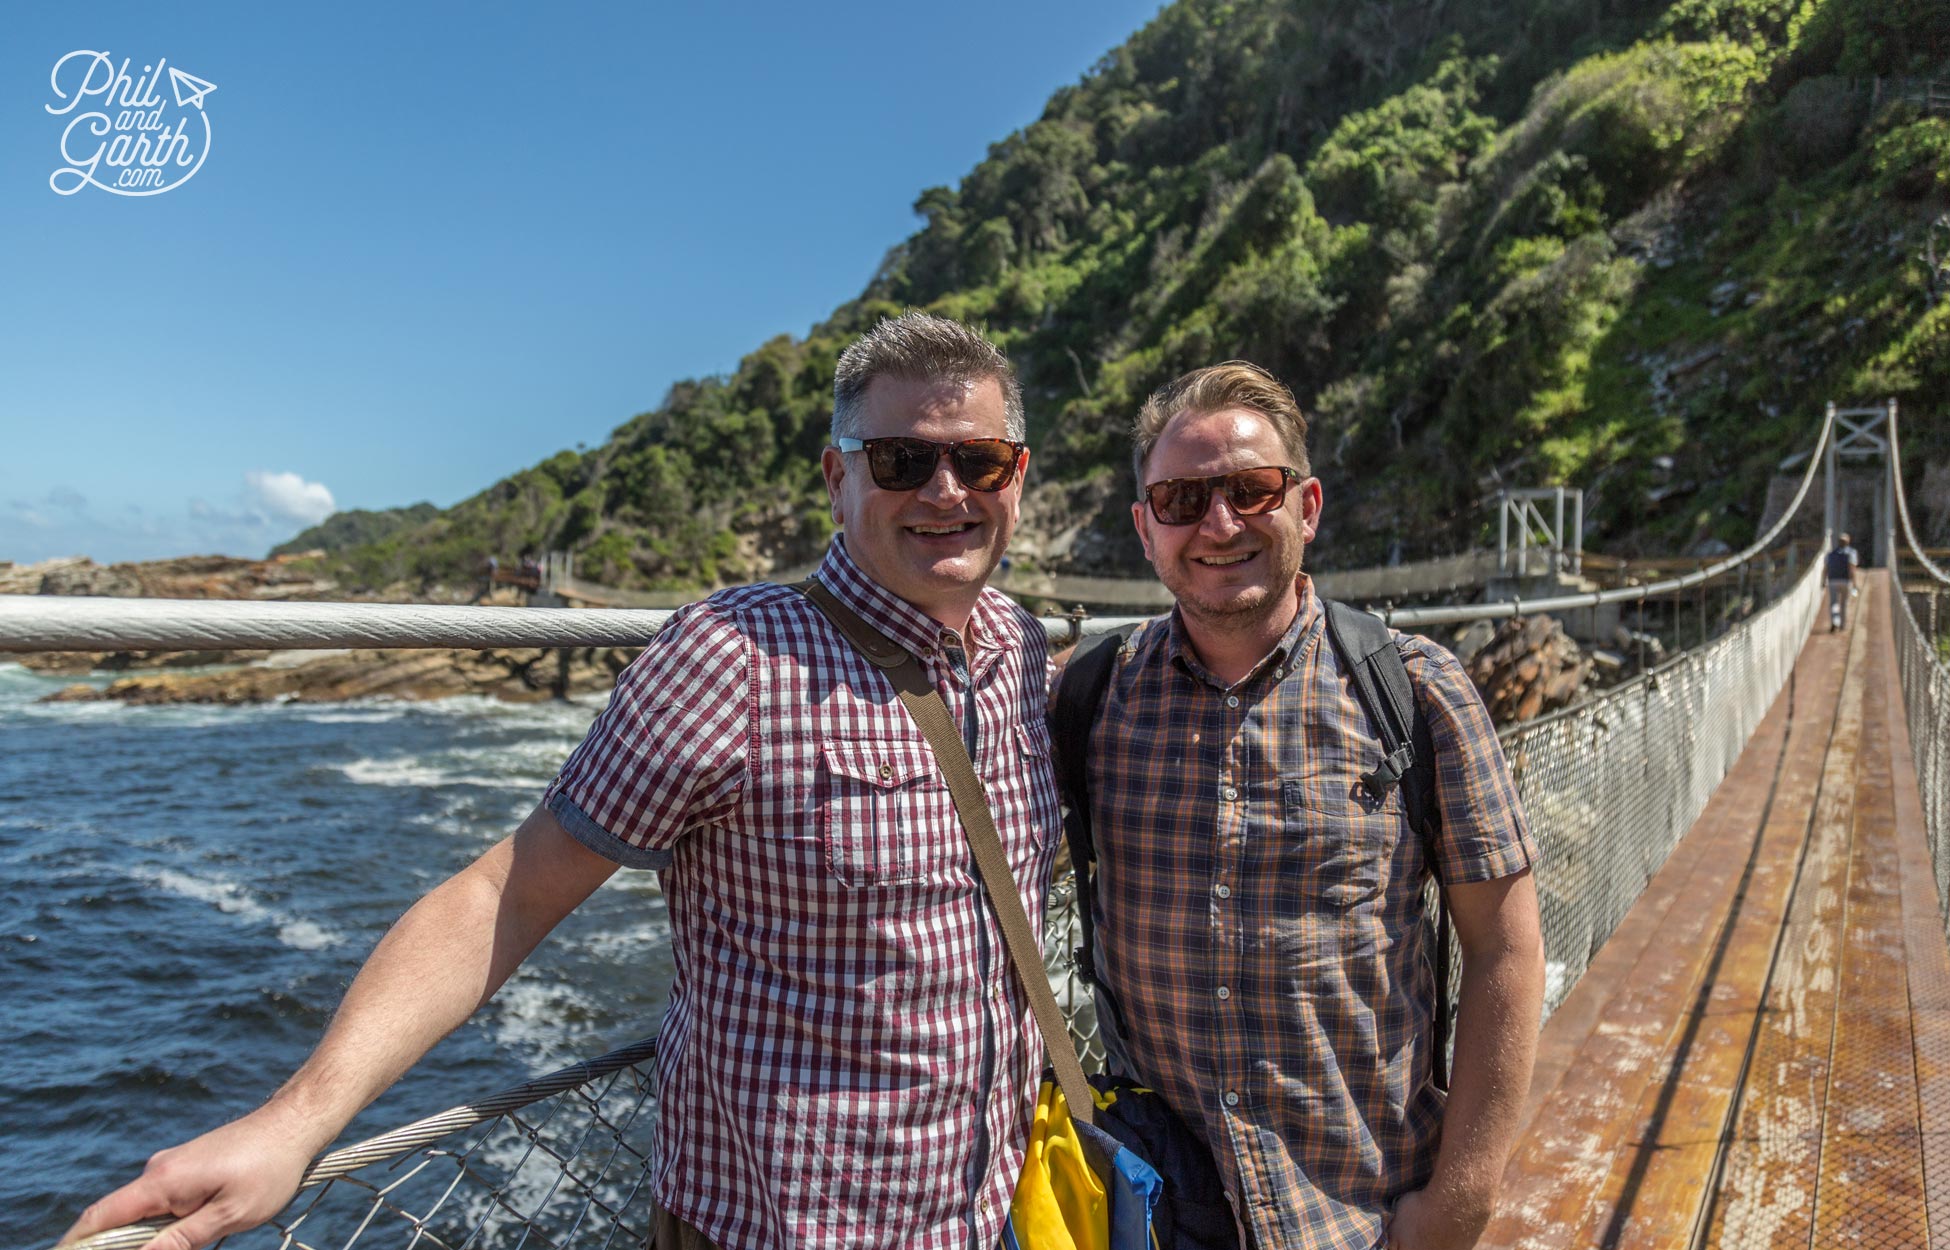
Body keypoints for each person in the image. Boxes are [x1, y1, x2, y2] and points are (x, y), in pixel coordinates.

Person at [62, 311, 1062, 1250]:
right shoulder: (733, 658)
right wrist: (292, 1120)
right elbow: (506, 890)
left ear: (1016, 477)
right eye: (902, 459)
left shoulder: (1019, 648)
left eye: (979, 460)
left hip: (987, 1208)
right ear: (836, 481)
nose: (946, 490)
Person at [1081, 362, 1546, 1250]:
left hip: (1362, 1216)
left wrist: (1462, 1201)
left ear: (1308, 506)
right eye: (1180, 500)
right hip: (1163, 1212)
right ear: (1145, 530)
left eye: (1252, 489)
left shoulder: (1413, 690)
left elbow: (1506, 945)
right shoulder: (1092, 702)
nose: (1218, 524)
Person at [1826, 532, 1860, 631]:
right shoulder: (1851, 553)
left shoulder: (1831, 554)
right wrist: (1854, 584)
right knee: (1844, 603)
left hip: (1832, 580)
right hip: (1846, 581)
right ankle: (1843, 625)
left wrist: (1823, 581)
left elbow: (1826, 568)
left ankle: (1835, 621)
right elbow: (1852, 569)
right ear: (1848, 542)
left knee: (1834, 603)